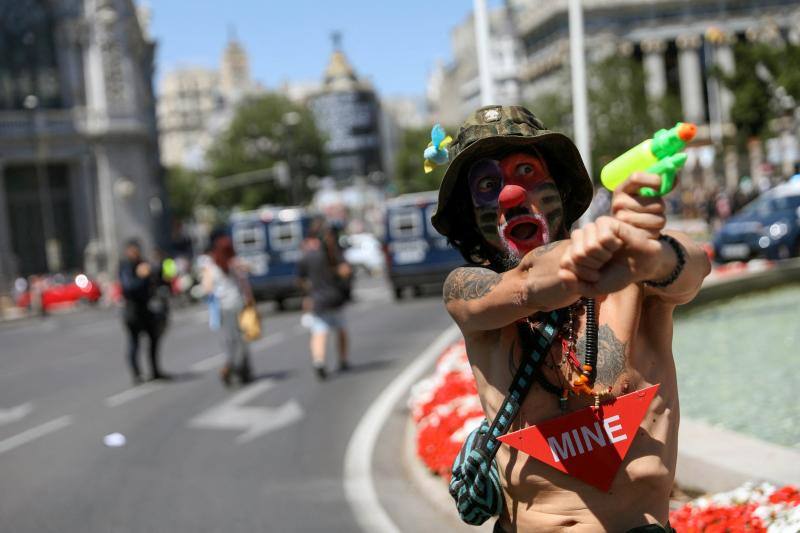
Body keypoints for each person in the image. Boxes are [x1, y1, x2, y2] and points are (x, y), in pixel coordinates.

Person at [431, 106, 710, 532]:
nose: (510, 196)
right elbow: (528, 280)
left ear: (560, 191)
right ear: (472, 218)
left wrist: (652, 254)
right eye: (488, 185)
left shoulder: (631, 278)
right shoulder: (472, 295)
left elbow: (691, 268)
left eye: (527, 171)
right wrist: (578, 263)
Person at [297, 220, 352, 380]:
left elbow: (301, 280)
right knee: (341, 330)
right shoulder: (333, 254)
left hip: (318, 300)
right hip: (335, 298)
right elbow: (346, 271)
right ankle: (343, 359)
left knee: (319, 332)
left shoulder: (307, 256)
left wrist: (307, 295)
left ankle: (319, 361)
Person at [201, 232, 254, 386]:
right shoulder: (235, 263)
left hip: (224, 306)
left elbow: (207, 288)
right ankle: (239, 367)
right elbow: (248, 276)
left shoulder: (212, 266)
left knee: (230, 338)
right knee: (241, 337)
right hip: (239, 303)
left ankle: (231, 366)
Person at [119, 239, 166, 384]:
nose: (135, 253)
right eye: (133, 250)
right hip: (132, 311)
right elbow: (128, 287)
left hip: (147, 310)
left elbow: (157, 280)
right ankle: (136, 374)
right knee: (134, 343)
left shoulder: (144, 263)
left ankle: (155, 370)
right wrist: (141, 277)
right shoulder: (126, 266)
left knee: (154, 340)